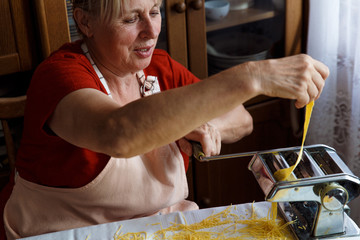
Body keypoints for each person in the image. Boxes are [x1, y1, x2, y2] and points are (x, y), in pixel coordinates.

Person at [2, 0, 329, 239]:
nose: (151, 30)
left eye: (155, 11)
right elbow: (118, 134)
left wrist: (201, 125)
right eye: (131, 18)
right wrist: (253, 76)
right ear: (85, 22)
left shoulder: (159, 68)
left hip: (157, 229)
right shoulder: (59, 75)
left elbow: (242, 119)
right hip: (65, 234)